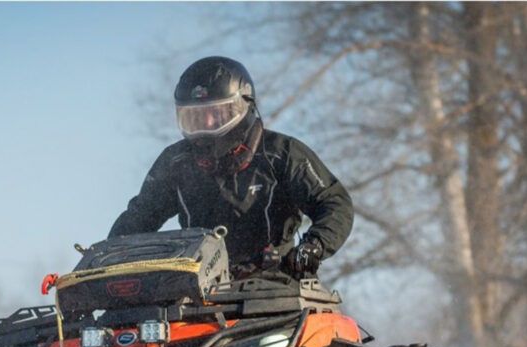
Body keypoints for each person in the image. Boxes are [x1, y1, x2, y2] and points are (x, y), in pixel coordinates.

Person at [109, 56, 353, 279]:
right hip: (197, 291)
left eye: (215, 115)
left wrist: (313, 247)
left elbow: (333, 202)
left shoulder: (281, 153)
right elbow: (138, 219)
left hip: (276, 286)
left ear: (243, 107)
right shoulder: (176, 162)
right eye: (194, 118)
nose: (205, 125)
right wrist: (107, 260)